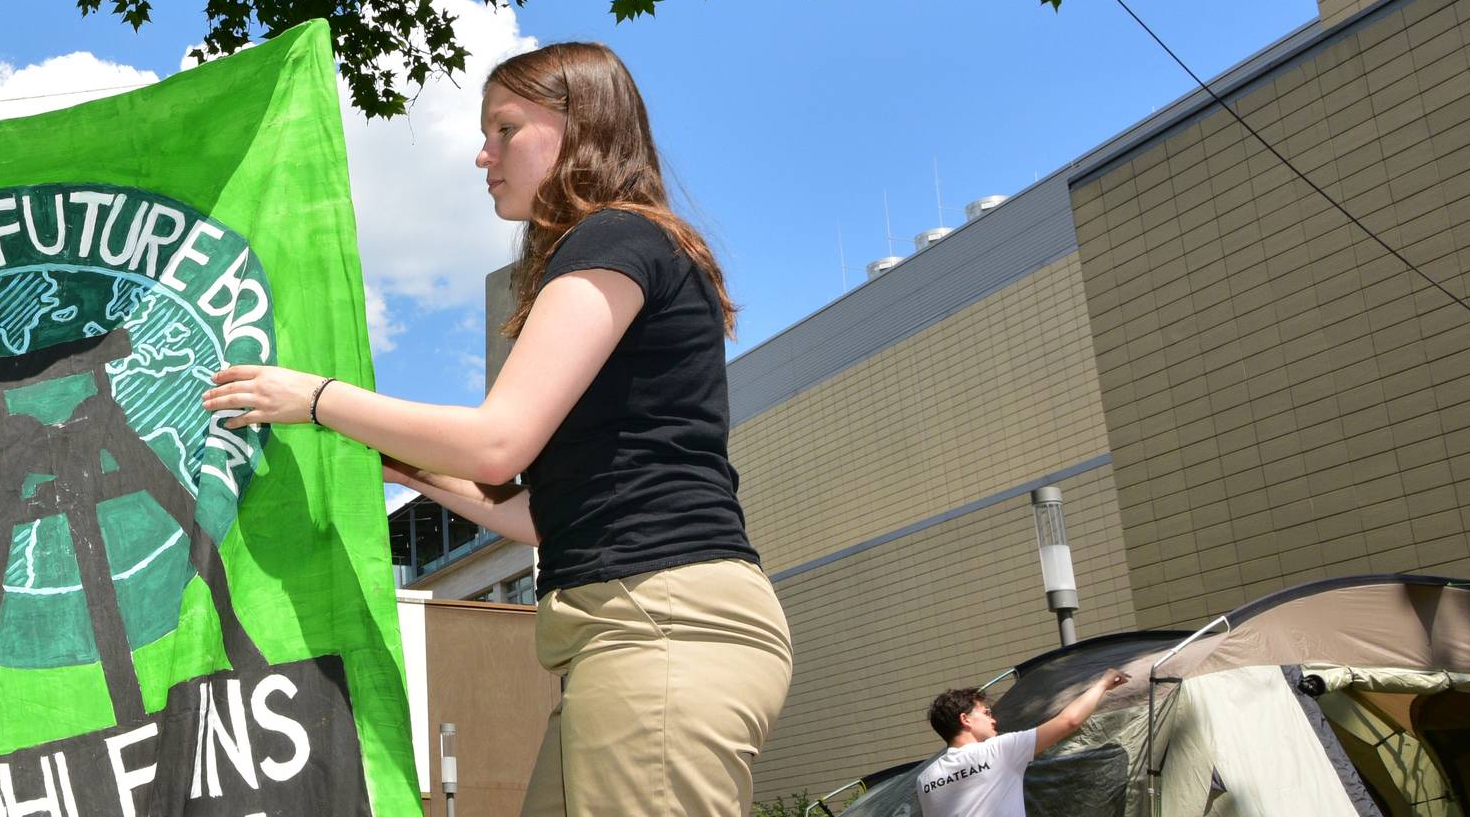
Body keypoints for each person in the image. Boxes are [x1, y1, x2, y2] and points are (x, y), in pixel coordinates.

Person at [203, 40, 790, 817]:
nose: (484, 156)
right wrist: (403, 467)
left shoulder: (614, 238)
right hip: (623, 631)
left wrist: (315, 398)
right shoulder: (627, 246)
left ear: (581, 124)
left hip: (657, 623)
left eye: (505, 129)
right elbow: (540, 515)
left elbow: (496, 443)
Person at [914, 669, 1131, 817]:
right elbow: (1068, 721)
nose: (993, 720)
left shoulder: (925, 779)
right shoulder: (998, 751)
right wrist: (1103, 684)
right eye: (986, 713)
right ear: (965, 719)